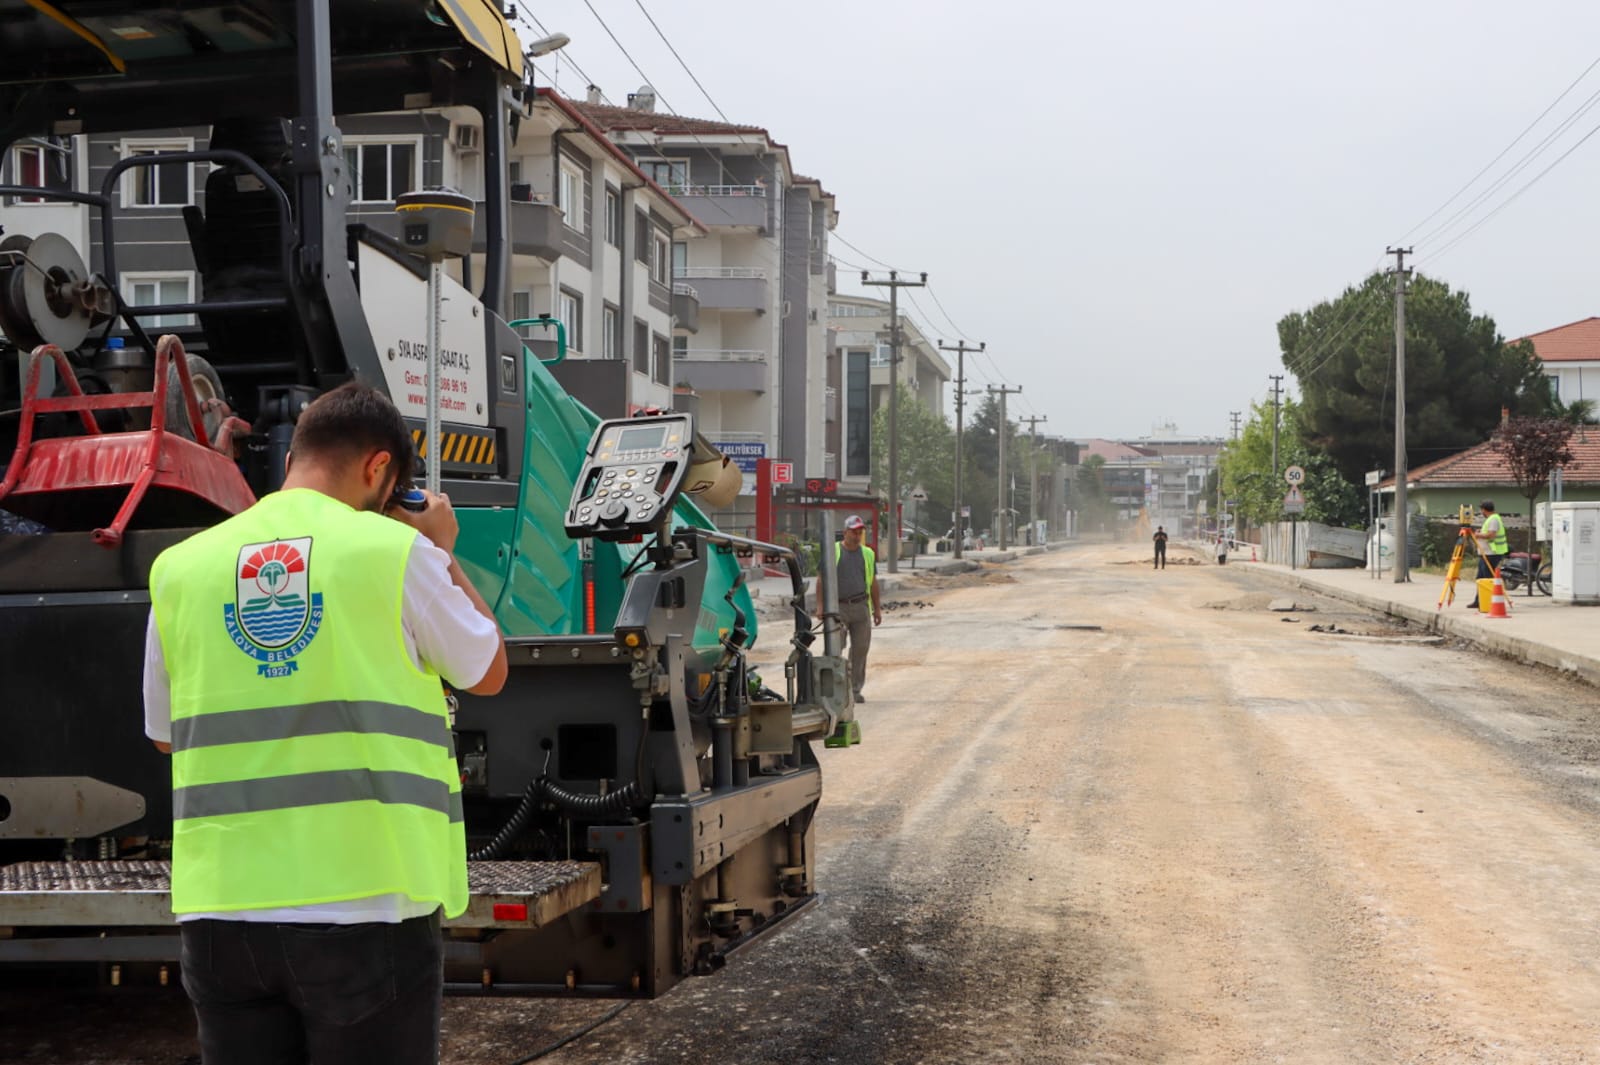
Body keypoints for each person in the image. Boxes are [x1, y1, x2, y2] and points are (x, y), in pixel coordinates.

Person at [143, 382, 508, 1065]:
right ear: (379, 472)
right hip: (364, 910)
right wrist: (441, 548)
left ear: (292, 459)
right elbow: (487, 666)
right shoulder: (393, 554)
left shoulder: (181, 569)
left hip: (222, 915)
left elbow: (166, 733)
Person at [832, 515, 881, 703]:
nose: (857, 534)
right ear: (845, 532)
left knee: (860, 649)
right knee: (836, 647)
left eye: (860, 531)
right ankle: (836, 689)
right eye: (854, 531)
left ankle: (854, 689)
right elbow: (822, 579)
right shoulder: (834, 551)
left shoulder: (867, 554)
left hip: (861, 606)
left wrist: (877, 609)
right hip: (839, 607)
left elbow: (873, 582)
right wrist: (821, 606)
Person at [1474, 498, 1510, 583]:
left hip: (1491, 554)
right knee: (1481, 579)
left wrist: (1478, 535)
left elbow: (1491, 535)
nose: (1481, 512)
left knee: (1487, 579)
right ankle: (1479, 597)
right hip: (1487, 553)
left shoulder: (1493, 519)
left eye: (1481, 510)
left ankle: (1488, 596)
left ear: (1484, 509)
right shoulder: (1492, 519)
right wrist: (1481, 532)